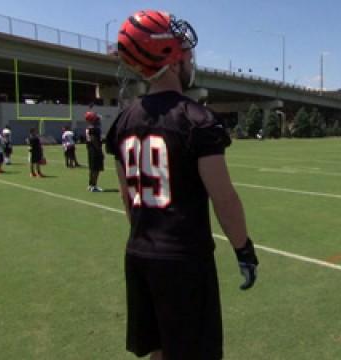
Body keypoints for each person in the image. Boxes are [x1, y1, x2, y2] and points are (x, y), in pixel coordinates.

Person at [106, 10, 259, 360]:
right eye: (185, 50)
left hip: (140, 252)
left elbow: (129, 201)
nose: (191, 57)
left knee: (159, 349)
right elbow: (224, 198)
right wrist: (243, 248)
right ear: (171, 59)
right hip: (184, 260)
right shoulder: (196, 120)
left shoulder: (123, 122)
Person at [85, 111, 104, 192]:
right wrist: (100, 151)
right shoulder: (94, 129)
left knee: (92, 168)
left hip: (90, 150)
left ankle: (90, 184)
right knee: (96, 169)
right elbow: (94, 140)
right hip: (95, 150)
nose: (98, 120)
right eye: (96, 119)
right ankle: (94, 185)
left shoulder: (89, 128)